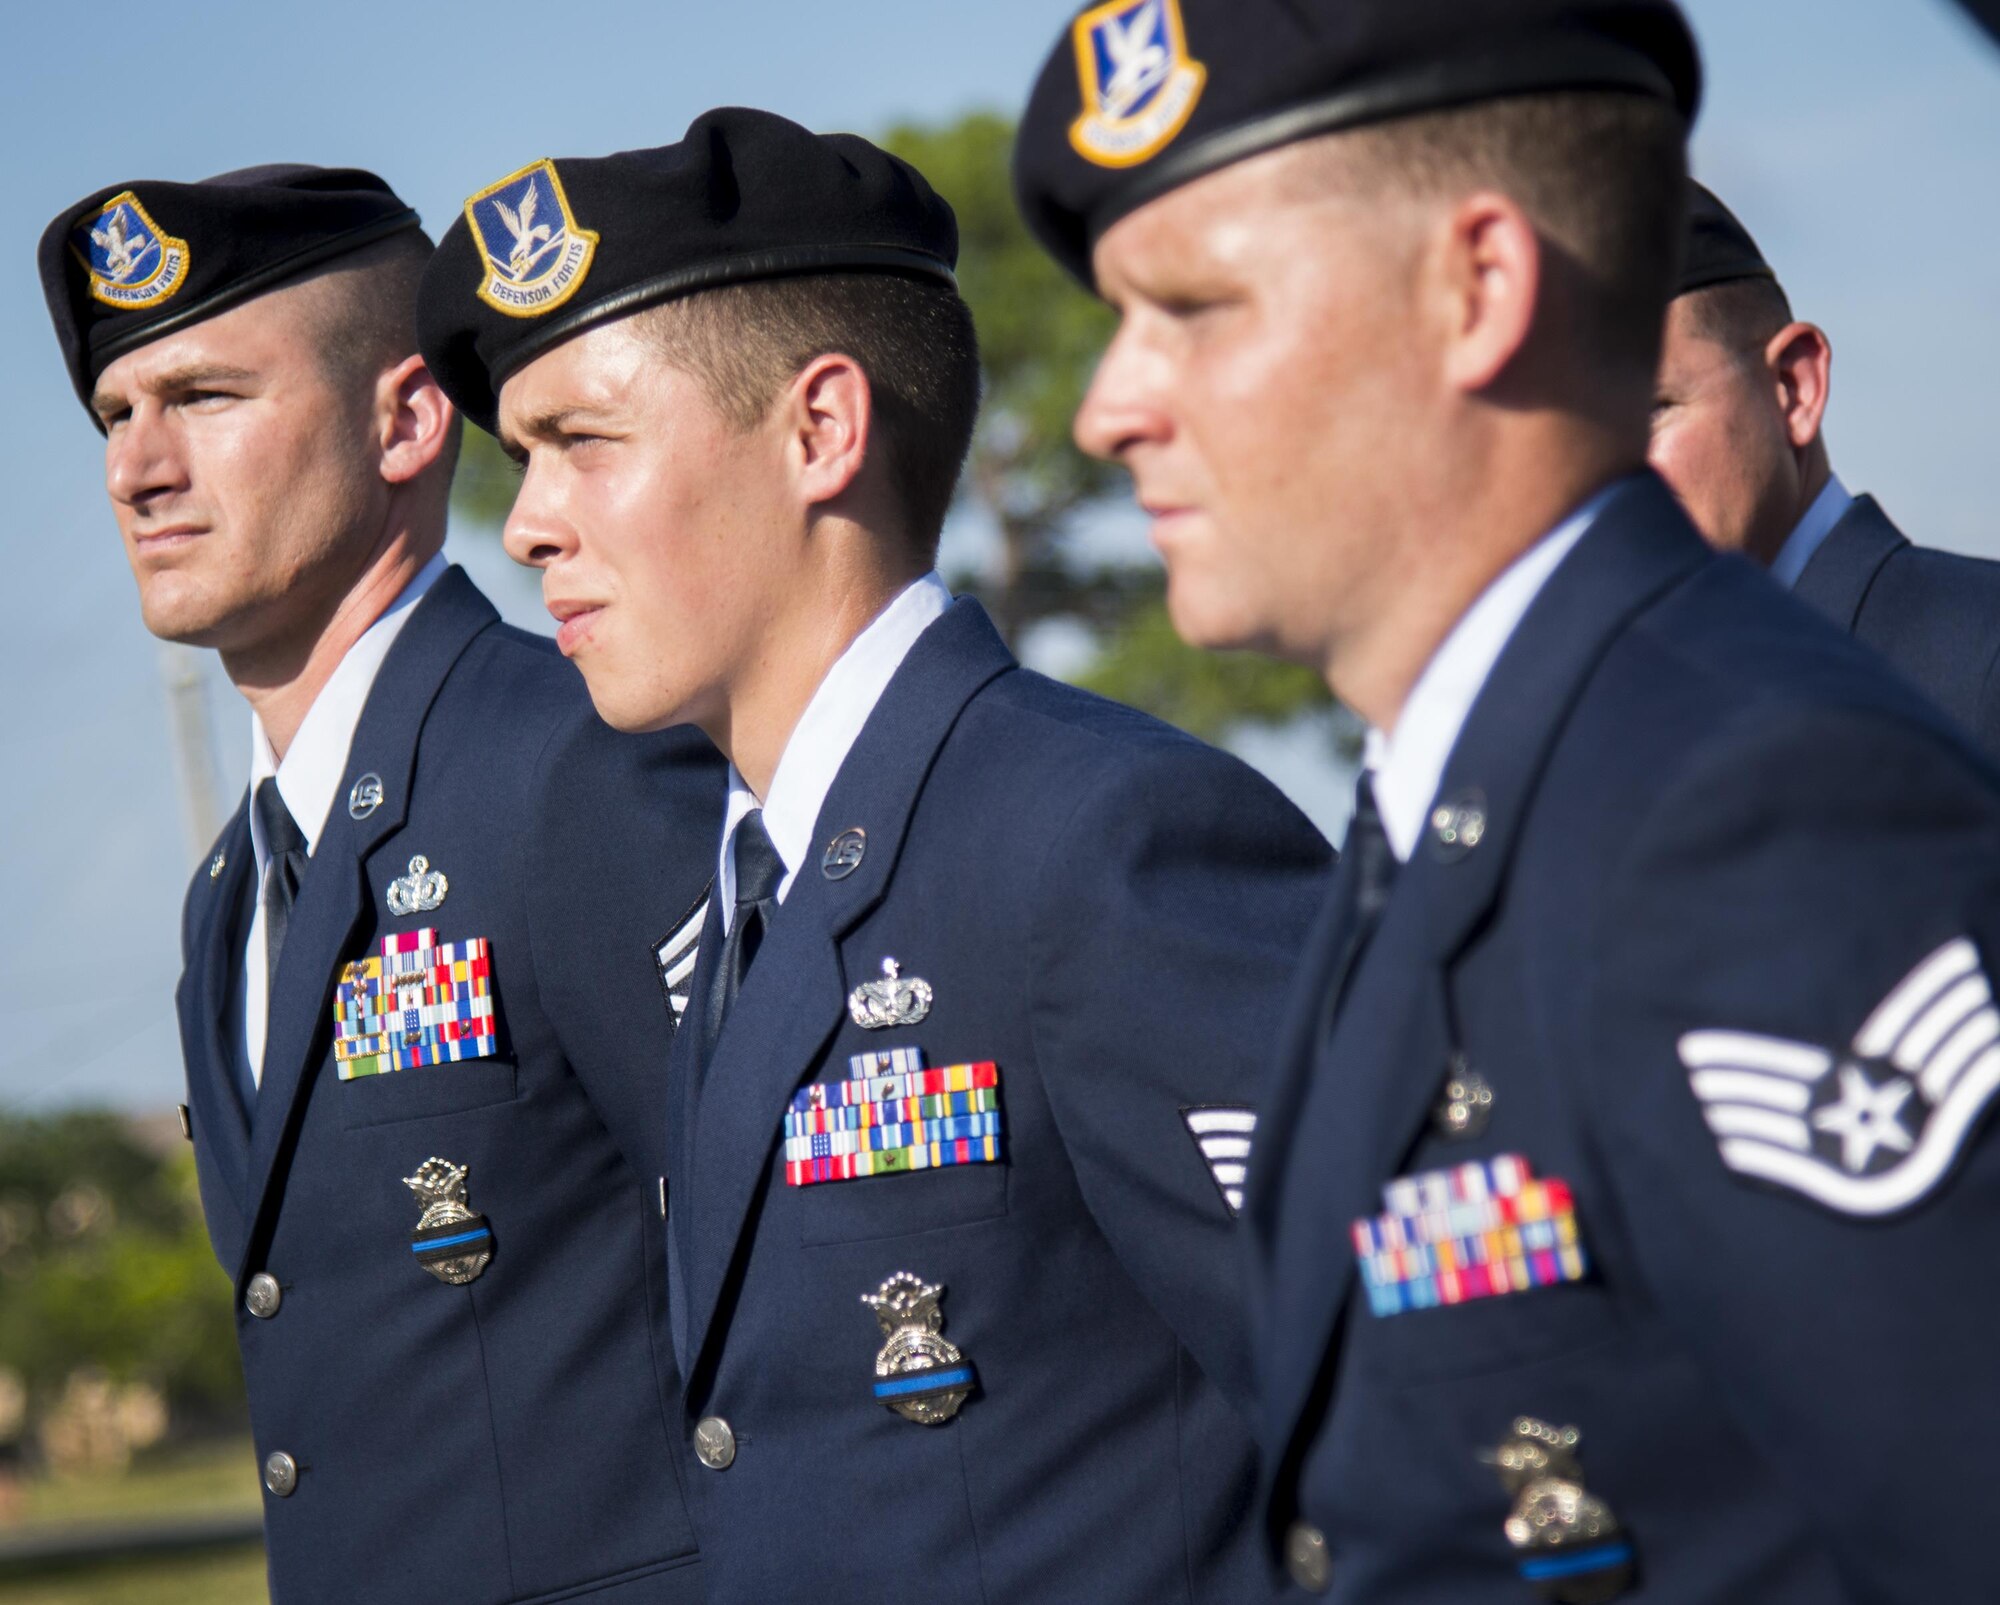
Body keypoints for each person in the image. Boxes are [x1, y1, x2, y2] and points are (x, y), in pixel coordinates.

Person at [1015, 1, 2000, 1599]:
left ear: (1481, 289)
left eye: (1193, 306)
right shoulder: (1465, 803)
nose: (1107, 407)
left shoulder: (1754, 809)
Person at [415, 108, 1332, 1605]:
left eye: (582, 441)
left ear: (820, 430)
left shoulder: (1099, 842)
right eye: (521, 459)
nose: (523, 526)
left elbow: (1405, 1427)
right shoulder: (751, 887)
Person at [39, 166, 721, 1605]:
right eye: (115, 414)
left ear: (407, 419)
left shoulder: (577, 775)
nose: (135, 468)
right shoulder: (232, 887)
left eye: (206, 397)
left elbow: (796, 1295)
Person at [1650, 179, 2000, 754]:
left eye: (1651, 412)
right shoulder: (1602, 716)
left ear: (1794, 388)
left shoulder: (1981, 665)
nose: (1605, 476)